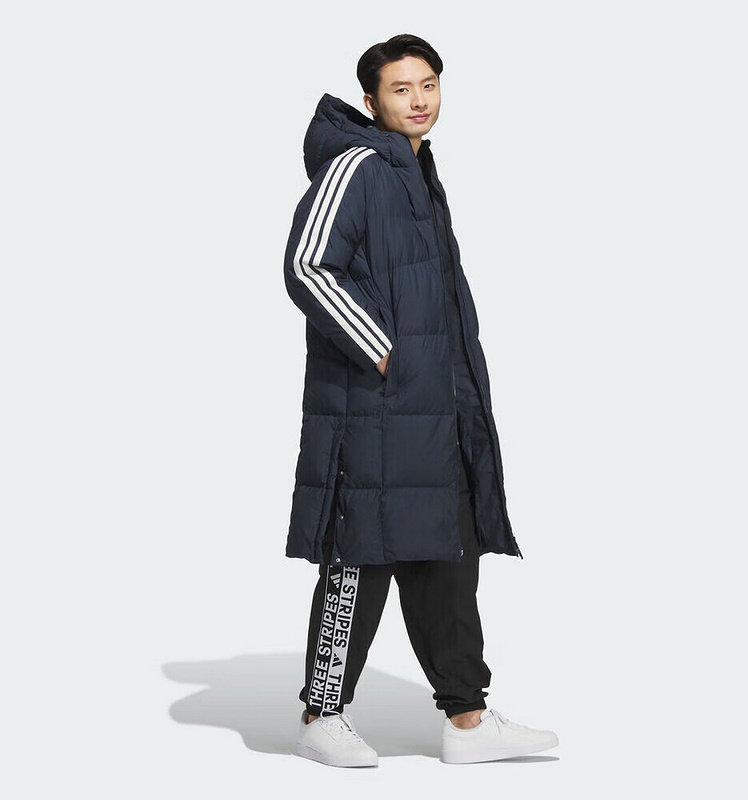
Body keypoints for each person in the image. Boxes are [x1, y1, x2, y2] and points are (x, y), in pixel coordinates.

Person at [282, 33, 558, 767]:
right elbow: (308, 265)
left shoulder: (416, 171)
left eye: (428, 85)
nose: (419, 100)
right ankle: (320, 714)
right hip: (374, 410)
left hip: (434, 408)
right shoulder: (357, 164)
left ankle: (467, 720)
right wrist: (381, 348)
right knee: (361, 558)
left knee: (449, 558)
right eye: (401, 89)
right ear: (371, 100)